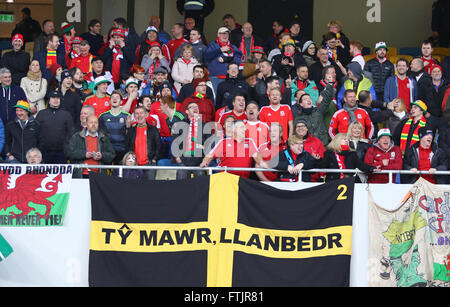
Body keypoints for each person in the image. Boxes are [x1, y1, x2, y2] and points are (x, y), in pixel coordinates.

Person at [200, 120, 265, 179]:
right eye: (242, 127)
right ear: (234, 129)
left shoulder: (250, 142)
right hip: (226, 179)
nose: (245, 129)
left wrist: (261, 162)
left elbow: (257, 156)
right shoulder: (224, 142)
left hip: (244, 180)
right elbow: (210, 155)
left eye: (245, 127)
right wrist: (205, 161)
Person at [36, 90, 73, 164]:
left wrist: (67, 149)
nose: (56, 100)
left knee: (61, 175)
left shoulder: (66, 114)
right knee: (44, 175)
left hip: (61, 153)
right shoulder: (41, 113)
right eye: (53, 98)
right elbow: (36, 132)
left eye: (58, 98)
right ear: (49, 101)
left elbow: (70, 133)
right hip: (44, 152)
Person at [126, 106, 162, 180]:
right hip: (135, 165)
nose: (139, 115)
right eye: (137, 113)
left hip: (149, 164)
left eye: (141, 113)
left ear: (146, 115)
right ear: (134, 116)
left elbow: (159, 146)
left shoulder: (153, 130)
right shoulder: (131, 130)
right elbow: (127, 146)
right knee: (135, 188)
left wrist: (154, 159)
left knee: (150, 188)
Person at [204, 27, 242, 94]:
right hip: (215, 77)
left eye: (227, 34)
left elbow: (238, 59)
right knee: (215, 97)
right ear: (218, 35)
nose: (225, 36)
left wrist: (227, 59)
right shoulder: (212, 45)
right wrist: (220, 50)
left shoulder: (233, 47)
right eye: (223, 34)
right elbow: (206, 57)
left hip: (230, 78)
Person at [99, 90, 131, 165]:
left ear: (121, 102)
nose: (114, 99)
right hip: (107, 151)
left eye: (117, 97)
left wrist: (128, 127)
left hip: (122, 150)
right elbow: (100, 134)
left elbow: (130, 136)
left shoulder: (127, 116)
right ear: (109, 101)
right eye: (112, 97)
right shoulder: (103, 116)